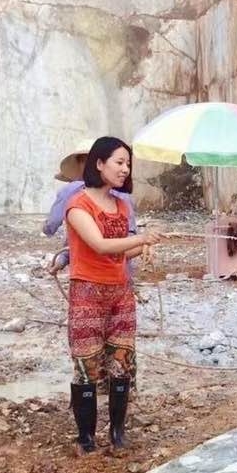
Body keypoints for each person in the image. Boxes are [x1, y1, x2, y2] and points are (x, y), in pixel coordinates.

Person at [65, 137, 161, 454]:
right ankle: (86, 439)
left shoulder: (121, 206)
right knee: (87, 365)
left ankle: (118, 434)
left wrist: (144, 246)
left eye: (128, 164)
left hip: (120, 293)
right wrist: (141, 238)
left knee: (122, 363)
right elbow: (100, 246)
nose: (125, 169)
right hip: (87, 294)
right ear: (99, 164)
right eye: (119, 162)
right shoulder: (78, 205)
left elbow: (119, 253)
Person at [43, 149, 136, 273]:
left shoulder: (71, 191)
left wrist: (47, 230)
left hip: (89, 272)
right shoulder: (123, 196)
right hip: (117, 271)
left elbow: (53, 223)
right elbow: (130, 234)